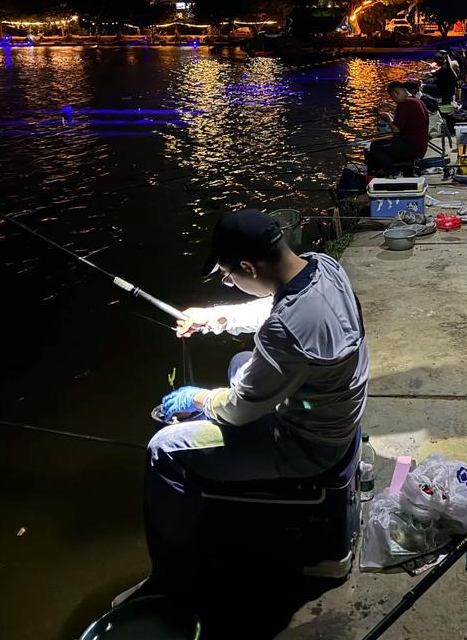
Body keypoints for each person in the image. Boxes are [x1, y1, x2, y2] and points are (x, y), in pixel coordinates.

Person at [123, 209, 369, 597]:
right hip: (337, 411)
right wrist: (214, 317)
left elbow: (238, 407)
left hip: (309, 446)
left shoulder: (285, 329)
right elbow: (278, 311)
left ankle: (171, 576)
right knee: (241, 363)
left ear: (247, 267)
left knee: (164, 449)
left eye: (227, 276)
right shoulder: (325, 267)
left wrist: (198, 397)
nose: (229, 282)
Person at [366, 80, 429, 175]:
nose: (393, 100)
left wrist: (387, 116)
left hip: (412, 148)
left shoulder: (405, 103)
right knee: (381, 140)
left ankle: (390, 171)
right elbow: (401, 111)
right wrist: (387, 105)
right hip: (420, 146)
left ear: (395, 93)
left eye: (392, 97)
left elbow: (396, 129)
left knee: (376, 146)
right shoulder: (415, 100)